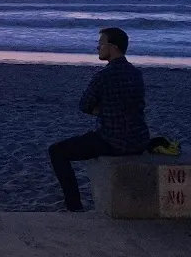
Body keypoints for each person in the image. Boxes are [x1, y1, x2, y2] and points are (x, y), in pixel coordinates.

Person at [48, 27, 149, 212]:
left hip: (113, 140)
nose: (97, 48)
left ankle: (74, 207)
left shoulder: (104, 75)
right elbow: (136, 105)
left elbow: (84, 105)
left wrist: (102, 110)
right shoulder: (136, 73)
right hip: (139, 139)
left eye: (101, 43)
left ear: (112, 47)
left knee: (56, 152)